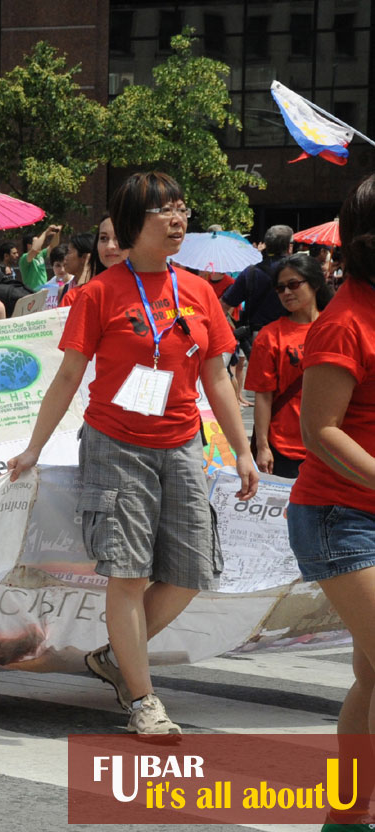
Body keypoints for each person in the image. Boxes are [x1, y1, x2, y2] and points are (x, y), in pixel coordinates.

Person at [7, 171, 257, 736]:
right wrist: (33, 448)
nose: (177, 220)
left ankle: (116, 657)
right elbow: (69, 374)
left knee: (192, 570)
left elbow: (216, 377)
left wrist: (242, 450)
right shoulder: (97, 294)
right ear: (130, 226)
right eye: (163, 212)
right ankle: (143, 701)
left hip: (183, 445)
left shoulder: (197, 291)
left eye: (181, 208)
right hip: (116, 446)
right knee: (127, 573)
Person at [285, 174, 375, 827]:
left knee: (371, 677)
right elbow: (318, 431)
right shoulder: (342, 321)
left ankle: (344, 818)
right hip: (337, 520)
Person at [246, 253, 332, 479]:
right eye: (280, 288)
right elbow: (263, 396)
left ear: (314, 283)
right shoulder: (270, 336)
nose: (286, 292)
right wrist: (263, 447)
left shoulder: (337, 328)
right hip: (284, 449)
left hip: (334, 446)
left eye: (293, 284)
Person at [60, 216, 126, 308]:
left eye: (118, 238)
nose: (110, 246)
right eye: (103, 238)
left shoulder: (147, 287)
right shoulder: (75, 297)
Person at [18, 224, 64, 292]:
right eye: (37, 241)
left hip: (43, 291)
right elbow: (34, 249)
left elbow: (52, 246)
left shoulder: (41, 254)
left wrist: (57, 233)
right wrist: (45, 233)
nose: (40, 244)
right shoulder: (24, 258)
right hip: (31, 293)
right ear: (28, 245)